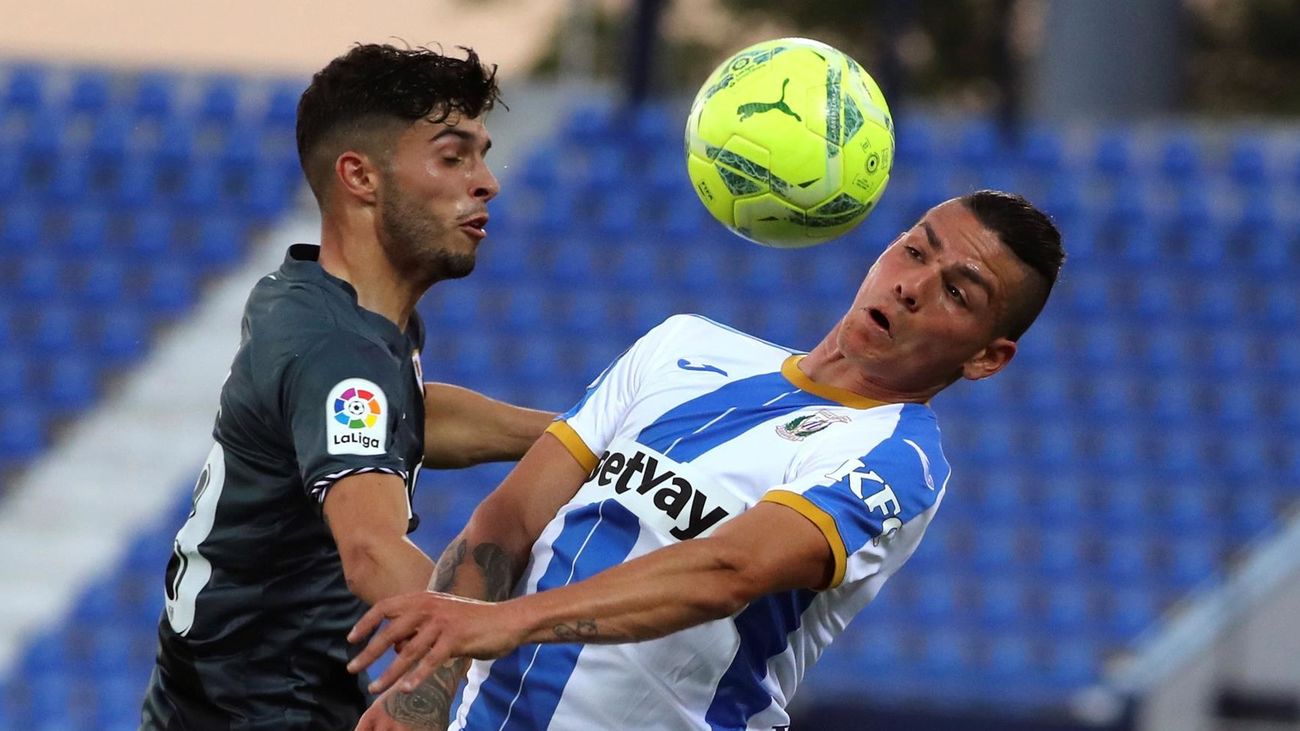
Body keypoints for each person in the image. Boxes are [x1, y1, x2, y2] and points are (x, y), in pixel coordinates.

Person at [346, 190, 1066, 730]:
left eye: (956, 291)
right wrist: (425, 691)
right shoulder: (682, 347)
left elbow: (730, 570)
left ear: (987, 356)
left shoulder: (895, 457)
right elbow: (509, 518)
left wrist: (512, 622)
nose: (911, 286)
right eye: (914, 249)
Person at [140, 44, 554, 730]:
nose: (486, 182)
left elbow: (407, 412)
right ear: (360, 176)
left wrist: (581, 436)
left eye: (481, 155)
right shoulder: (340, 351)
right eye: (453, 157)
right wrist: (511, 651)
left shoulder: (314, 302)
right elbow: (371, 553)